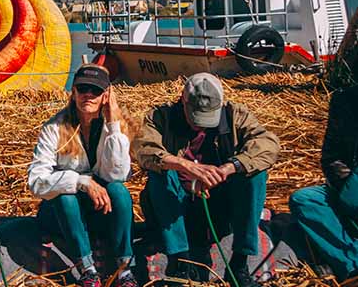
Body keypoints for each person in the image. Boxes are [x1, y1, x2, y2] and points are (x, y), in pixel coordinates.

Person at [134, 72, 279, 287]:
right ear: (183, 100)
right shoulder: (160, 117)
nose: (200, 125)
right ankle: (180, 264)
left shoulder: (235, 115)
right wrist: (185, 166)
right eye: (195, 116)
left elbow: (268, 144)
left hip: (220, 205)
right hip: (177, 205)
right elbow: (143, 149)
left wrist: (229, 168)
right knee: (159, 175)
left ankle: (239, 263)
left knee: (255, 174)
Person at [28, 63, 138, 287]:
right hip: (64, 215)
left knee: (119, 190)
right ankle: (88, 270)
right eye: (82, 88)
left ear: (106, 96)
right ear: (73, 92)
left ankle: (124, 269)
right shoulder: (54, 128)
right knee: (66, 198)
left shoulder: (115, 127)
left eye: (95, 90)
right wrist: (81, 182)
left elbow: (118, 174)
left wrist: (113, 124)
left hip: (100, 210)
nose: (88, 95)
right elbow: (36, 182)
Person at [289, 85, 358, 280]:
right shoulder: (345, 101)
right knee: (305, 199)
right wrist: (348, 190)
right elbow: (331, 157)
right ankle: (352, 264)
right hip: (351, 183)